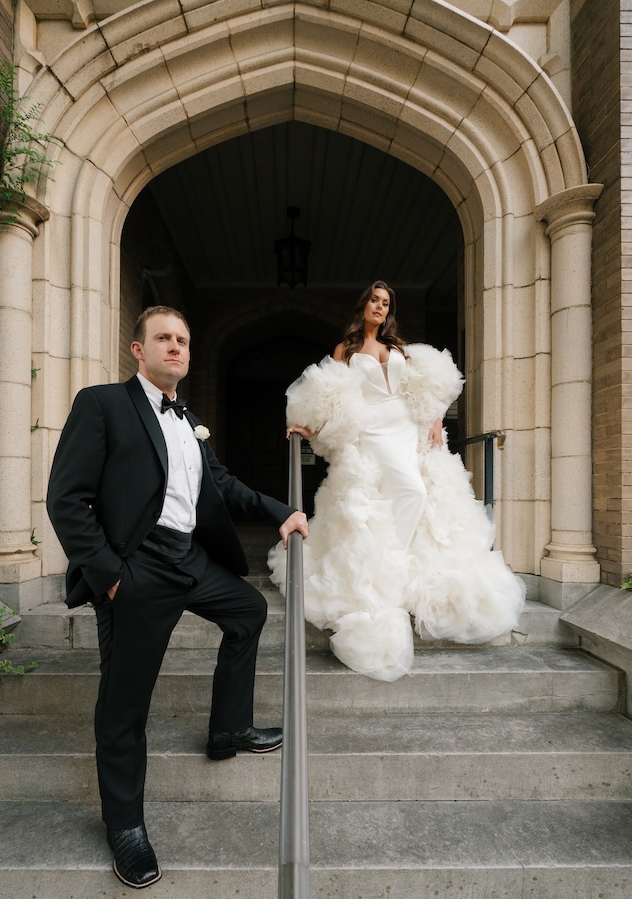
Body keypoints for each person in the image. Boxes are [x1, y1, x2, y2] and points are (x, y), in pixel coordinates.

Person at [47, 305, 307, 890]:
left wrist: (281, 511)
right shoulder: (102, 404)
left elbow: (220, 484)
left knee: (249, 609)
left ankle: (228, 729)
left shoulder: (186, 417)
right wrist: (112, 574)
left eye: (183, 341)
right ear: (137, 349)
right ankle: (126, 827)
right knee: (125, 705)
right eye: (163, 338)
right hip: (136, 569)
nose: (175, 348)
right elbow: (66, 499)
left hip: (188, 556)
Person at [268, 280, 525, 682]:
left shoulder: (400, 348)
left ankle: (393, 562)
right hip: (372, 429)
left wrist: (436, 417)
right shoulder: (346, 350)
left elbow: (423, 388)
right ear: (363, 305)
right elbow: (329, 395)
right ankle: (390, 567)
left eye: (386, 303)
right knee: (411, 490)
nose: (380, 307)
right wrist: (306, 425)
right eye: (375, 300)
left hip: (406, 427)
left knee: (405, 493)